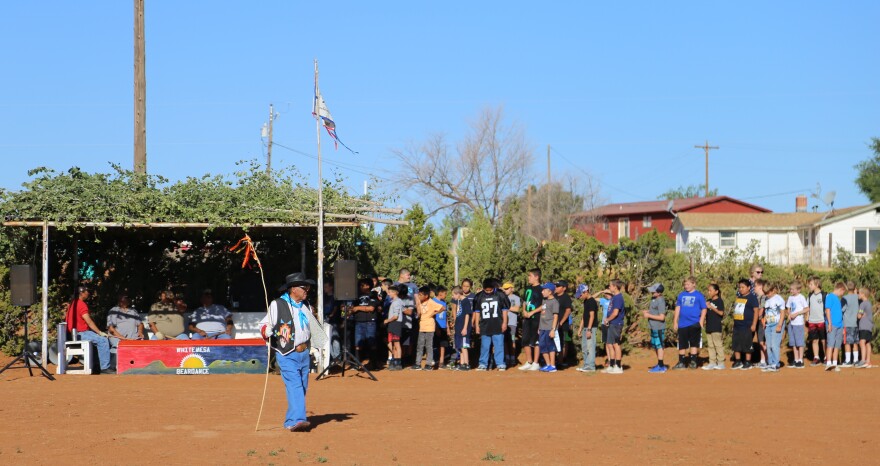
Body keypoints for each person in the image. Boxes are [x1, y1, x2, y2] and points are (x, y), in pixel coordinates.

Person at [259, 272, 316, 432]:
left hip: (304, 353)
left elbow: (311, 327)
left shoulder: (307, 306)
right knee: (295, 385)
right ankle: (299, 420)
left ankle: (290, 421)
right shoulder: (278, 304)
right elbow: (264, 324)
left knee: (302, 386)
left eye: (308, 287)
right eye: (304, 287)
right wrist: (267, 330)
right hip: (287, 353)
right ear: (293, 289)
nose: (307, 290)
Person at [65, 286, 113, 374]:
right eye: (87, 292)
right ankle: (105, 368)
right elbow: (89, 321)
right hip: (81, 333)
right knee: (103, 340)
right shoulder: (81, 304)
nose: (88, 293)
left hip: (74, 334)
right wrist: (100, 332)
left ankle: (95, 366)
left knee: (95, 342)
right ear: (82, 293)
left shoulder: (73, 303)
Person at [473, 278, 510, 372]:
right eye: (486, 290)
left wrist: (505, 322)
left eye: (490, 290)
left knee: (499, 345)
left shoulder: (500, 294)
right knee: (485, 346)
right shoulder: (479, 296)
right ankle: (483, 364)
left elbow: (505, 310)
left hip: (498, 324)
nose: (489, 292)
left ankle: (500, 363)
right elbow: (477, 312)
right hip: (485, 325)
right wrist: (477, 325)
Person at [672, 276, 707, 370]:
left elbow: (704, 308)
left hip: (694, 323)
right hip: (682, 323)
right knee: (682, 343)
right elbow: (678, 308)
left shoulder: (699, 295)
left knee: (694, 343)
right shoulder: (681, 295)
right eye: (685, 284)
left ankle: (693, 361)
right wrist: (675, 321)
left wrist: (701, 321)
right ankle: (681, 362)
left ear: (693, 284)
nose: (686, 286)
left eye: (688, 284)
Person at [351, 279, 380, 369]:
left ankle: (374, 364)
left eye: (363, 285)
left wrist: (358, 308)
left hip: (370, 322)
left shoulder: (373, 295)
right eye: (360, 285)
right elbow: (352, 308)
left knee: (371, 343)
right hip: (359, 321)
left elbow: (371, 308)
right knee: (358, 343)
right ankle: (357, 364)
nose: (361, 287)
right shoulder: (357, 296)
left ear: (368, 286)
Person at [519, 269, 544, 371]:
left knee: (536, 341)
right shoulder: (527, 288)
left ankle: (536, 362)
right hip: (527, 318)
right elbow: (524, 301)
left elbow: (544, 305)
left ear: (536, 277)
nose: (528, 278)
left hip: (536, 318)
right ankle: (529, 361)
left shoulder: (541, 289)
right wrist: (524, 310)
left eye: (530, 276)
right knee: (525, 340)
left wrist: (532, 312)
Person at [732, 279, 760, 370]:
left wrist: (754, 324)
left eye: (743, 287)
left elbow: (756, 311)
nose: (741, 289)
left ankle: (748, 362)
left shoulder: (752, 298)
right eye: (739, 287)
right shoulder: (739, 297)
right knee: (736, 344)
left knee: (747, 344)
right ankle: (738, 361)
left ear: (749, 288)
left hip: (747, 325)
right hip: (737, 325)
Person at [412, 286, 441, 370]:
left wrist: (433, 314)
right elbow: (419, 313)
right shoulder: (420, 303)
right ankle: (418, 363)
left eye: (421, 295)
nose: (419, 296)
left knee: (429, 346)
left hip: (429, 327)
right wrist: (417, 304)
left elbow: (442, 308)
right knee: (420, 346)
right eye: (419, 295)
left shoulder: (431, 302)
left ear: (426, 296)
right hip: (422, 327)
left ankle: (428, 364)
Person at [642, 283, 667, 373]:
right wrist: (648, 311)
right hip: (653, 326)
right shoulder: (653, 299)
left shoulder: (660, 301)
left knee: (659, 345)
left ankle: (661, 366)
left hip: (659, 327)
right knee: (656, 346)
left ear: (659, 293)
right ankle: (660, 364)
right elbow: (655, 311)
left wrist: (648, 315)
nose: (651, 292)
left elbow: (662, 317)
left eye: (654, 291)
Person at [602, 280, 625, 374]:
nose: (609, 287)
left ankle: (618, 366)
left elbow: (615, 313)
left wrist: (608, 319)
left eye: (610, 286)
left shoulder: (618, 298)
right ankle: (611, 365)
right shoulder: (614, 297)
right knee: (609, 344)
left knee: (616, 344)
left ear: (615, 287)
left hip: (616, 323)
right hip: (611, 323)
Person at [536, 282, 559, 372]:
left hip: (549, 328)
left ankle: (553, 365)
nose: (542, 292)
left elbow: (556, 316)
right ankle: (548, 364)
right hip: (542, 327)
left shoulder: (555, 302)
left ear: (550, 292)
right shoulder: (544, 300)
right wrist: (539, 327)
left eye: (544, 290)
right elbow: (542, 314)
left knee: (550, 346)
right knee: (542, 346)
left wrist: (553, 329)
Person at [762, 283, 785, 372]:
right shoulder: (767, 300)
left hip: (776, 324)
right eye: (765, 293)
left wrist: (779, 325)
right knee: (769, 345)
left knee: (775, 345)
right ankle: (770, 363)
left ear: (773, 290)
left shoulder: (779, 299)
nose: (767, 295)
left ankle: (776, 364)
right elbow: (766, 312)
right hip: (768, 325)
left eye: (768, 293)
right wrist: (764, 320)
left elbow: (782, 313)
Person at [575, 284, 598, 372]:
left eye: (580, 295)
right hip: (585, 327)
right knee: (584, 347)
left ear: (586, 292)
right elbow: (584, 317)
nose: (579, 297)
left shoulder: (592, 301)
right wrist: (580, 328)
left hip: (590, 328)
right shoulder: (586, 301)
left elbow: (591, 316)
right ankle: (586, 365)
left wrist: (589, 329)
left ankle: (591, 366)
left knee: (590, 347)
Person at [785, 281, 808, 369]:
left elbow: (806, 309)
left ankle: (800, 360)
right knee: (793, 343)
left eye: (793, 289)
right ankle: (796, 359)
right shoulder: (790, 298)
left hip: (799, 323)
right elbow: (788, 307)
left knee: (799, 342)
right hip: (791, 323)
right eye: (790, 289)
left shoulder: (801, 297)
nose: (791, 291)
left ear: (798, 290)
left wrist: (797, 313)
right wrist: (789, 314)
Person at [824, 282, 846, 372]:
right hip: (832, 324)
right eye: (843, 292)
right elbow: (827, 310)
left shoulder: (837, 299)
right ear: (841, 289)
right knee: (831, 343)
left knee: (837, 345)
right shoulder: (830, 297)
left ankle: (835, 363)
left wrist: (843, 327)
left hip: (840, 325)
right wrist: (829, 323)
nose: (842, 294)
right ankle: (828, 363)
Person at [806, 276, 828, 366]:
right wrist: (807, 317)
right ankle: (816, 357)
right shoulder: (810, 295)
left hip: (822, 321)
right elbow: (808, 308)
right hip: (812, 321)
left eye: (811, 284)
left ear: (817, 284)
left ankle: (827, 357)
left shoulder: (824, 295)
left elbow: (827, 309)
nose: (809, 286)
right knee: (814, 340)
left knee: (823, 340)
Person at [704, 283, 725, 370]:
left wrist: (712, 307)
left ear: (716, 291)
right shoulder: (709, 301)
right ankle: (712, 362)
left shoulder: (719, 301)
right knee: (710, 345)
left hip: (716, 327)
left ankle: (721, 363)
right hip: (709, 326)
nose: (709, 292)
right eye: (708, 290)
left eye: (711, 290)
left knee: (718, 345)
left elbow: (721, 313)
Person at [450, 286, 471, 371]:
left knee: (464, 346)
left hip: (463, 327)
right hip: (458, 327)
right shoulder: (459, 301)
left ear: (458, 294)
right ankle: (462, 363)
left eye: (453, 295)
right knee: (460, 346)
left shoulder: (465, 301)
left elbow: (467, 315)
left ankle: (467, 364)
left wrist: (465, 328)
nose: (452, 297)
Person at [554, 280, 574, 368]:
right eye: (556, 286)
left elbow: (568, 310)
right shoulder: (553, 296)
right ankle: (553, 360)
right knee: (553, 342)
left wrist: (561, 322)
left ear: (564, 288)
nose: (556, 288)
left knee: (562, 342)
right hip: (553, 324)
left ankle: (561, 361)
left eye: (558, 286)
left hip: (563, 325)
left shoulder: (566, 298)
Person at [384, 284, 404, 371]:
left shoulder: (396, 302)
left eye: (390, 292)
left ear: (394, 293)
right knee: (393, 343)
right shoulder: (396, 301)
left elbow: (395, 316)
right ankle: (395, 360)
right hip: (394, 324)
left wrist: (387, 321)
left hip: (395, 323)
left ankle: (398, 362)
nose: (388, 294)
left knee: (396, 343)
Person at [501, 282, 521, 368]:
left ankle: (513, 357)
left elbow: (517, 309)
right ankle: (507, 357)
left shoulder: (516, 298)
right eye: (504, 289)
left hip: (512, 323)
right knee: (504, 341)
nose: (505, 290)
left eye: (507, 288)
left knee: (512, 341)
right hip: (503, 323)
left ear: (512, 289)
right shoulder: (502, 298)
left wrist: (507, 308)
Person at [841, 281, 860, 367]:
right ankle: (856, 360)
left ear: (846, 288)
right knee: (855, 342)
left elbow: (842, 310)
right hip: (856, 323)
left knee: (847, 343)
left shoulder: (844, 298)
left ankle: (848, 360)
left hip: (847, 323)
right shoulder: (857, 297)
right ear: (855, 288)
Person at [433, 286, 450, 368]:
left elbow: (445, 316)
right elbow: (433, 316)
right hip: (436, 326)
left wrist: (448, 327)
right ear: (440, 293)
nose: (446, 295)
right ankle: (434, 360)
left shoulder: (444, 303)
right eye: (445, 293)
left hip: (443, 327)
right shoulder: (433, 302)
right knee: (435, 345)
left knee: (443, 344)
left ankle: (441, 361)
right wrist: (436, 328)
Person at [856, 287, 874, 368]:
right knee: (867, 343)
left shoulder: (862, 304)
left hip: (863, 326)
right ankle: (868, 361)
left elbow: (859, 316)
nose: (858, 295)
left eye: (859, 293)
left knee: (862, 342)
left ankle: (863, 360)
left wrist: (858, 315)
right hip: (869, 326)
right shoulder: (869, 303)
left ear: (863, 294)